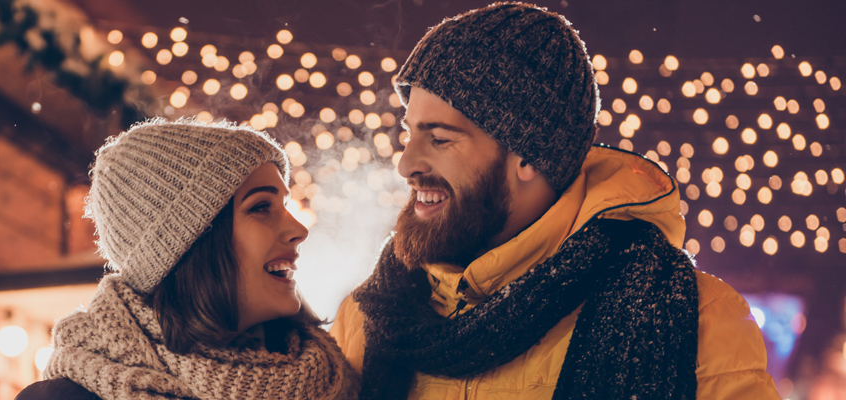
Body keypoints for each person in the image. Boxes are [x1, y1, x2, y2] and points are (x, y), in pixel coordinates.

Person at [329, 3, 779, 399]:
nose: (406, 163)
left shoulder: (694, 320)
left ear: (528, 154)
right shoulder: (369, 318)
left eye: (440, 138)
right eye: (410, 133)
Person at [17, 119, 359, 400]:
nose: (299, 229)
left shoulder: (337, 379)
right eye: (260, 207)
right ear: (191, 246)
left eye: (284, 204)